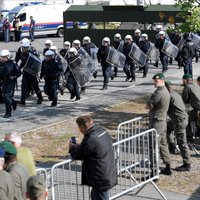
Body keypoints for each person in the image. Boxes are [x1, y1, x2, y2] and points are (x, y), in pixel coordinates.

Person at [69, 115, 117, 200]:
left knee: (100, 196)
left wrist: (71, 147)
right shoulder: (102, 131)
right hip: (107, 170)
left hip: (100, 176)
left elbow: (78, 155)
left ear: (82, 127)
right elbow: (96, 146)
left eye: (79, 128)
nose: (79, 130)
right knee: (96, 195)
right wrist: (81, 145)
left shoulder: (90, 138)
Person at [145, 73, 171, 176]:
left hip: (156, 123)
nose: (155, 83)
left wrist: (149, 101)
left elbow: (148, 107)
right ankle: (167, 166)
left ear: (162, 80)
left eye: (156, 81)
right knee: (163, 144)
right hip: (162, 121)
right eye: (154, 81)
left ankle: (154, 171)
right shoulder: (164, 91)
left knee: (153, 147)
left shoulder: (159, 93)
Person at [165, 81, 191, 171]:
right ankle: (172, 146)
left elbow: (163, 108)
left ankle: (187, 163)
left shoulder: (169, 96)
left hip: (179, 121)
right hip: (181, 119)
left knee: (182, 142)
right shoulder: (175, 94)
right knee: (167, 128)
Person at [17, 39, 43, 106]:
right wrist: (19, 68)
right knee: (24, 86)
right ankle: (23, 100)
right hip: (26, 72)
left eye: (24, 48)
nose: (23, 49)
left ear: (28, 47)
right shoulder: (21, 52)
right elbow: (23, 62)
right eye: (22, 47)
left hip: (33, 73)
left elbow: (37, 61)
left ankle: (40, 98)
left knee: (35, 86)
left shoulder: (33, 52)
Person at [0, 49, 21, 118]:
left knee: (7, 97)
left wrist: (14, 77)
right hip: (4, 82)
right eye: (2, 57)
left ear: (8, 56)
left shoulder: (12, 64)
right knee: (5, 96)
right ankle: (13, 102)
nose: (3, 58)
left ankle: (8, 112)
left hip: (11, 83)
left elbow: (19, 72)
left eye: (4, 57)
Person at [182, 74, 200, 142]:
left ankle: (189, 138)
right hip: (196, 109)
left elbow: (184, 100)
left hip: (198, 110)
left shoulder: (187, 87)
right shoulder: (196, 85)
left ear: (185, 80)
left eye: (183, 80)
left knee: (186, 119)